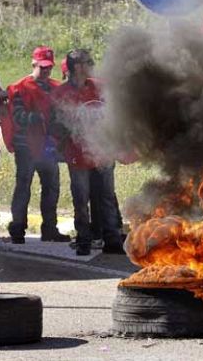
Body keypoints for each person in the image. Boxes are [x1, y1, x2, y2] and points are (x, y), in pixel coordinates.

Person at [52, 49, 124, 256]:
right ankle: (84, 239)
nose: (91, 65)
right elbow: (53, 125)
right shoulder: (60, 94)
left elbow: (114, 113)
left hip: (103, 151)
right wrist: (69, 133)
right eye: (87, 62)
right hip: (78, 154)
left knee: (107, 197)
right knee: (81, 198)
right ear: (76, 67)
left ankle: (112, 240)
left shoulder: (100, 88)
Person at [6, 46, 69, 244]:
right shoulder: (20, 88)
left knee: (52, 188)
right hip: (26, 146)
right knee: (23, 186)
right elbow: (17, 116)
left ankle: (49, 229)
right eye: (42, 68)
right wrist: (38, 117)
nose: (46, 71)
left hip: (49, 147)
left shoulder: (56, 87)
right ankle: (17, 229)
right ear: (33, 64)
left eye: (49, 68)